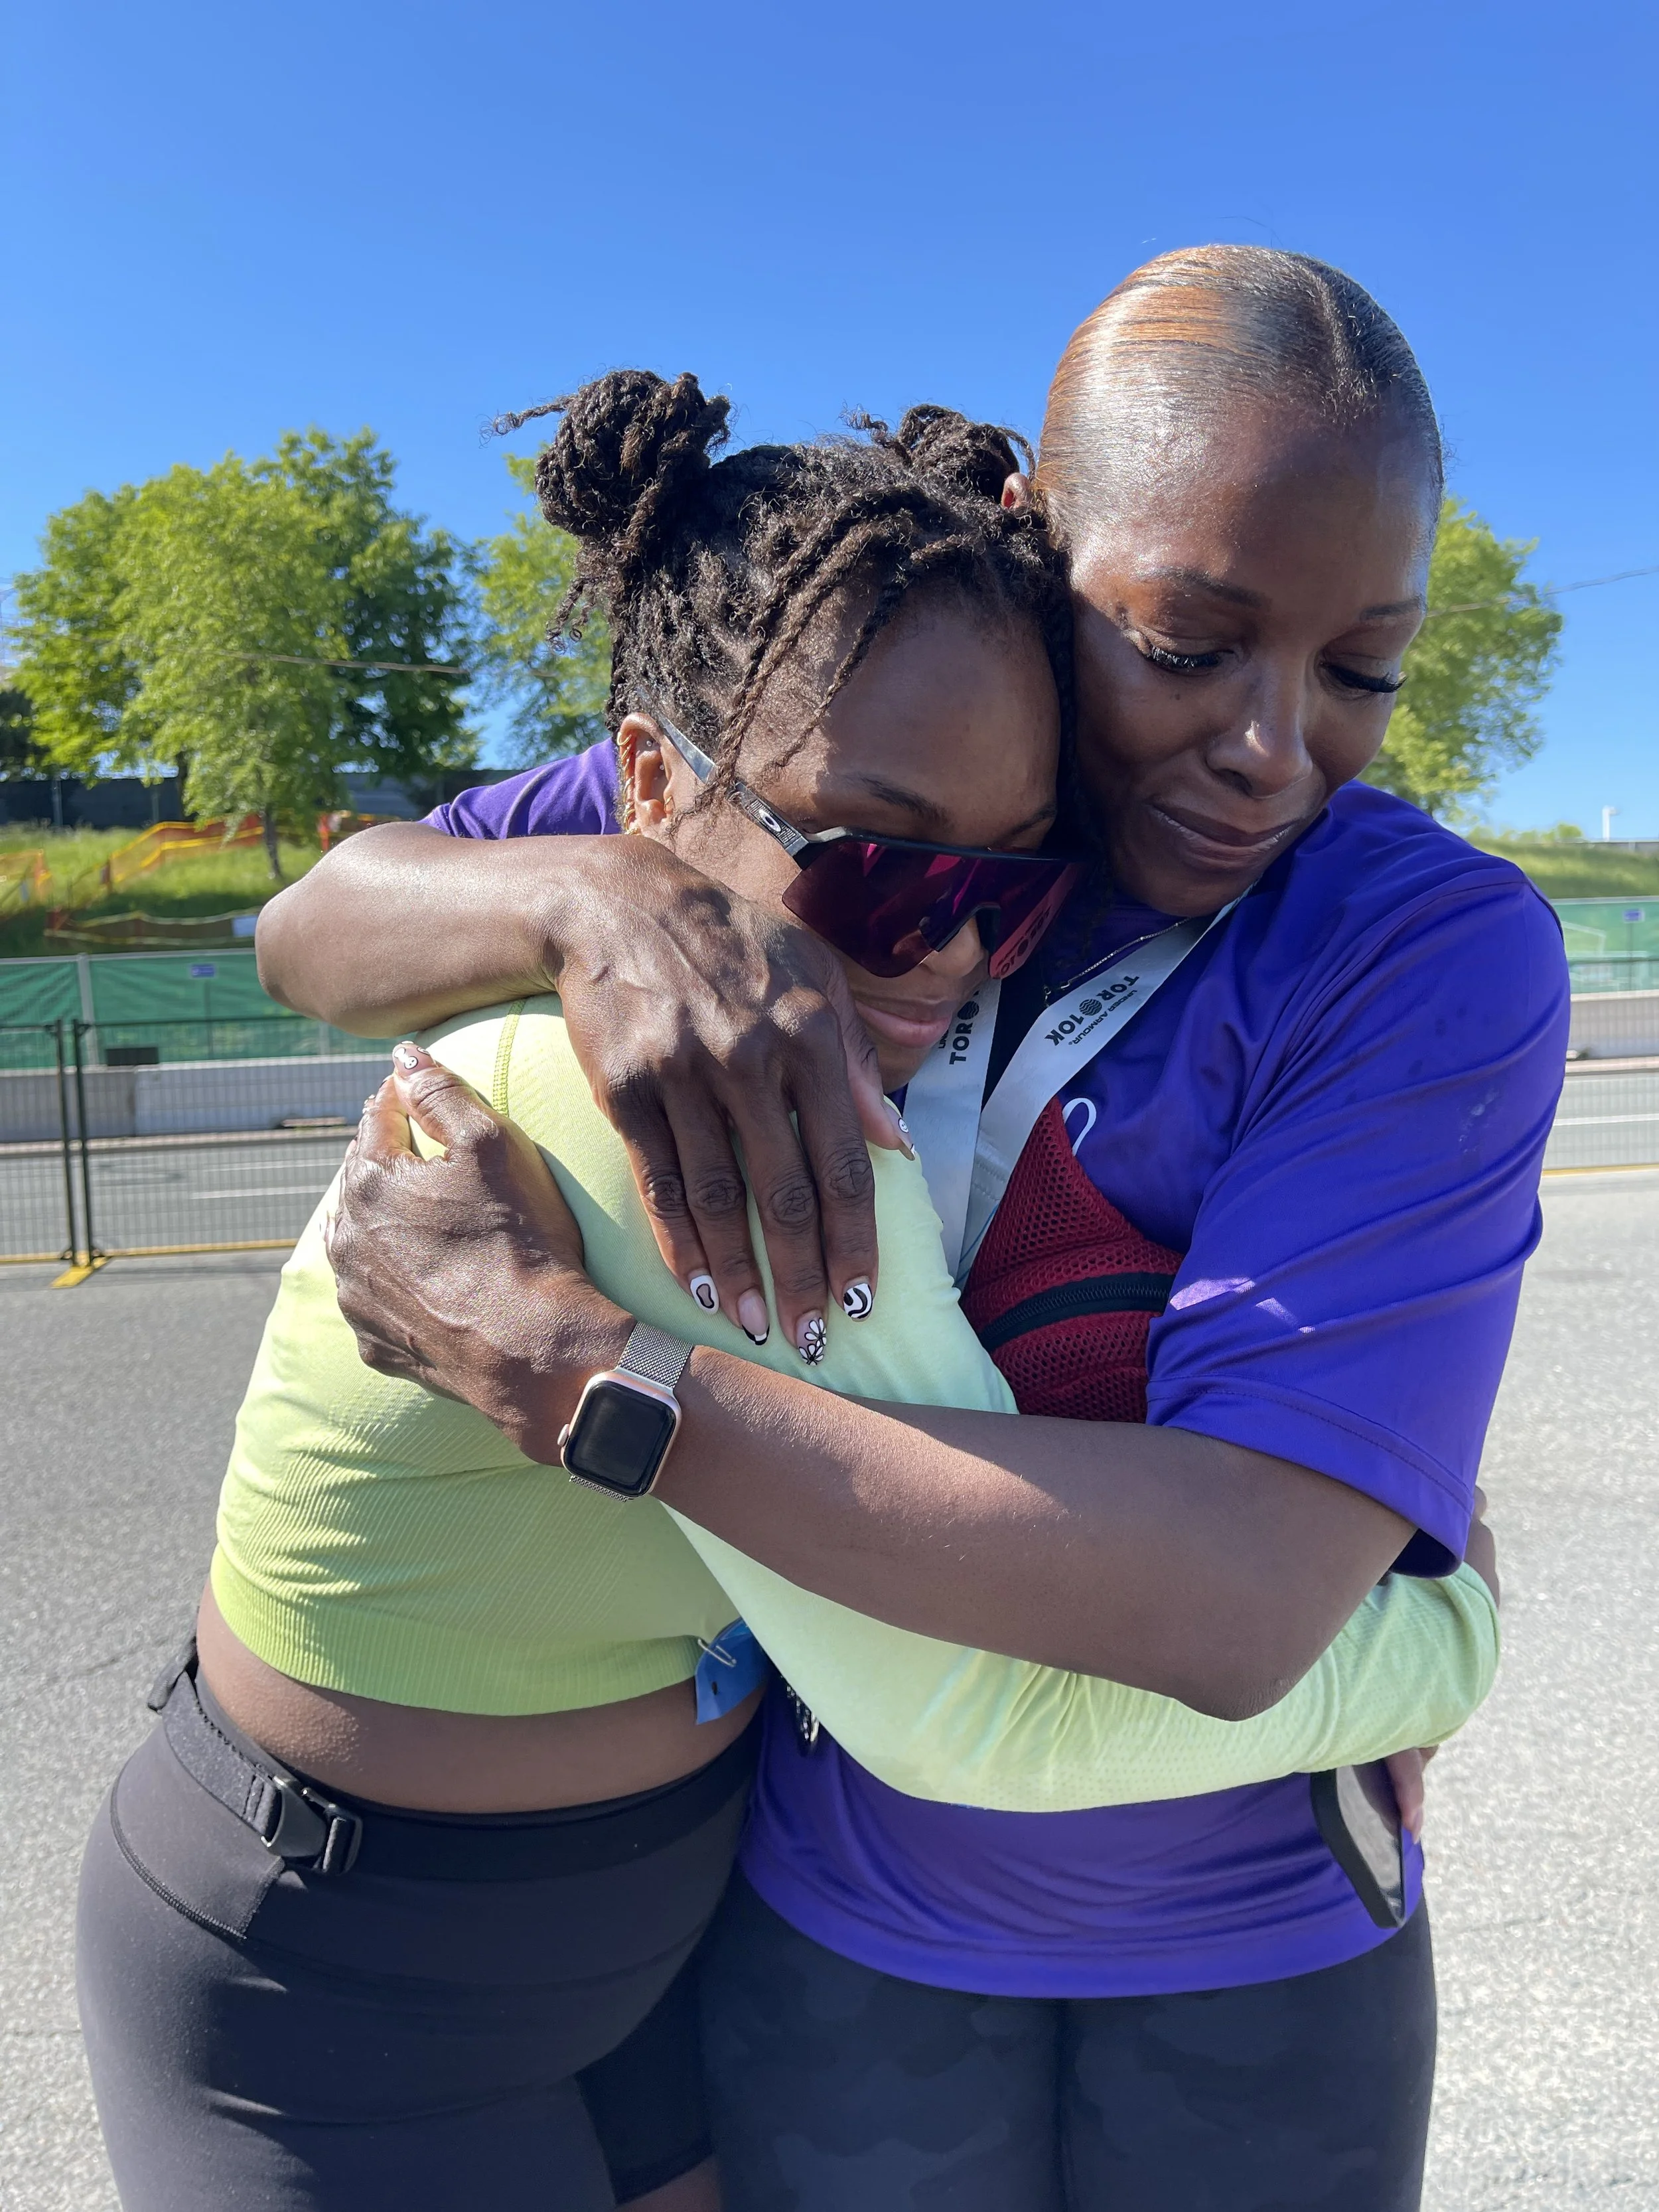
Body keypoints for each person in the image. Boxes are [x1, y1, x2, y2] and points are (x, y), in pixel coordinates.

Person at [78, 372, 1494, 2212]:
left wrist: (1366, 1488)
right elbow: (312, 923)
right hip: (385, 1962)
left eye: (1024, 884)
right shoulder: (718, 1036)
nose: (957, 939)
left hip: (704, 1928)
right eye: (1185, 646)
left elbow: (1243, 1579)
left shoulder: (973, 818)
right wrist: (599, 901)